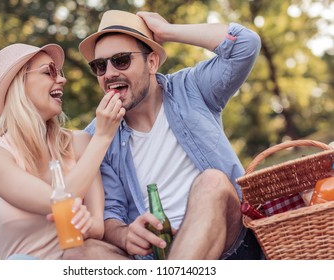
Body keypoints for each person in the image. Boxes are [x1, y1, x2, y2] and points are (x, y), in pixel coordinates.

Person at [78, 10, 263, 259]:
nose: (109, 73)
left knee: (213, 181)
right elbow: (110, 213)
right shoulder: (98, 135)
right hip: (157, 256)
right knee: (82, 252)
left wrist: (168, 31)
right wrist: (124, 235)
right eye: (100, 66)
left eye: (121, 60)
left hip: (230, 244)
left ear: (152, 62)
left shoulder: (192, 88)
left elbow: (245, 44)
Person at [0, 43, 127, 259]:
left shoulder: (80, 142)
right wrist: (103, 136)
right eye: (49, 72)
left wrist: (83, 222)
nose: (62, 80)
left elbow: (97, 227)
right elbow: (57, 203)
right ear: (19, 84)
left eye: (59, 72)